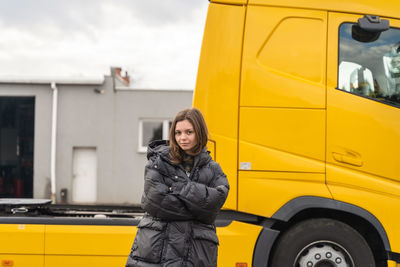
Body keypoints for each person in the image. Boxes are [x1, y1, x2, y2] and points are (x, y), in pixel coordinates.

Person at [126, 108, 229, 267]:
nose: (183, 138)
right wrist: (198, 208)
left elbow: (215, 202)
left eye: (189, 132)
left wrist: (180, 188)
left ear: (199, 133)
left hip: (195, 254)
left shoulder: (214, 169)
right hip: (156, 252)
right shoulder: (158, 162)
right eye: (178, 133)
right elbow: (155, 201)